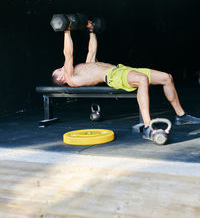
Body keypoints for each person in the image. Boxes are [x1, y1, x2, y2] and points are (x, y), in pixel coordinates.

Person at [52, 22, 200, 141]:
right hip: (113, 76)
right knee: (142, 80)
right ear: (60, 78)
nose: (61, 67)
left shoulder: (81, 69)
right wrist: (67, 31)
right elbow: (68, 54)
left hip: (121, 69)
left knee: (167, 78)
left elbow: (92, 51)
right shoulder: (71, 78)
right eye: (58, 70)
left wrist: (92, 31)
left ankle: (181, 116)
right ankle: (148, 127)